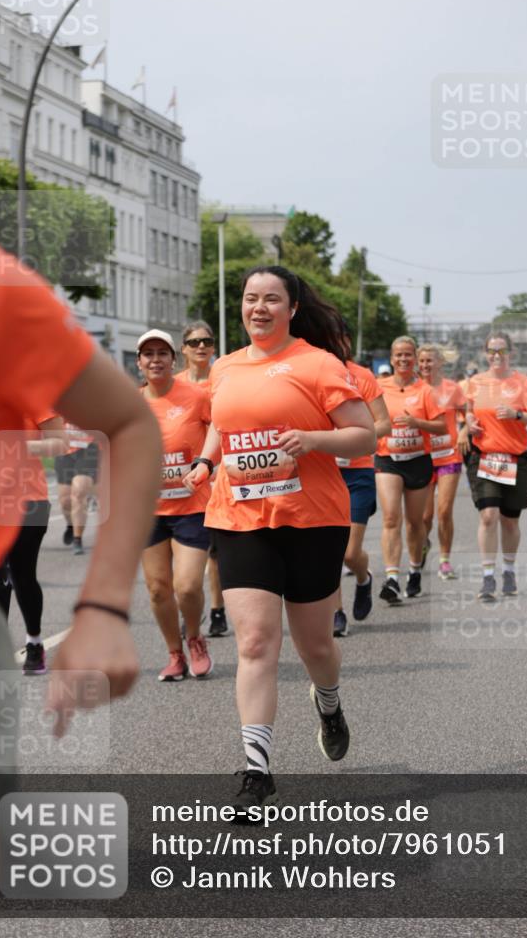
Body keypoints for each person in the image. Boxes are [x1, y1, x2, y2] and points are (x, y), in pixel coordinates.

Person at [0, 240, 161, 938]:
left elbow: (117, 426)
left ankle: (33, 639)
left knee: (20, 579)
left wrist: (102, 608)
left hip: (7, 519)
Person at [183, 265, 375, 813]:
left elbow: (364, 434)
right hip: (240, 518)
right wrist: (206, 460)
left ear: (292, 309)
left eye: (271, 299)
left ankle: (329, 704)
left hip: (312, 520)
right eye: (251, 298)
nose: (259, 308)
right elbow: (221, 423)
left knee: (316, 647)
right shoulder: (223, 367)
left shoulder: (318, 364)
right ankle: (256, 772)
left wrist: (313, 438)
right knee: (255, 643)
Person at [138, 328, 213, 681]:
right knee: (157, 589)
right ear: (139, 362)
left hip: (192, 506)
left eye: (161, 353)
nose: (155, 360)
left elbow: (221, 432)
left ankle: (194, 637)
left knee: (187, 586)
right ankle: (174, 654)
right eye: (148, 354)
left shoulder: (197, 397)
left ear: (173, 359)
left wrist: (208, 465)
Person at [463, 332, 527, 601]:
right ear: (485, 353)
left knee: (510, 522)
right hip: (484, 457)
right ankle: (488, 577)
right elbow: (468, 410)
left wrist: (518, 415)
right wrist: (469, 421)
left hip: (515, 459)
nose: (496, 356)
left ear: (511, 353)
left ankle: (509, 570)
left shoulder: (524, 383)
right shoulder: (476, 382)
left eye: (501, 351)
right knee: (488, 516)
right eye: (492, 351)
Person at [375, 337, 447, 603]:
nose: (403, 359)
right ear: (391, 359)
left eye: (408, 355)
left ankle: (415, 570)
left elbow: (442, 426)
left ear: (414, 359)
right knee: (390, 518)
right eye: (398, 355)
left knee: (415, 523)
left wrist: (417, 422)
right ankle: (392, 578)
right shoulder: (379, 387)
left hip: (418, 460)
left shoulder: (425, 390)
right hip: (388, 459)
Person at [0, 414, 68, 674]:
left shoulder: (34, 398)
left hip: (29, 501)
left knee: (21, 575)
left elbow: (60, 443)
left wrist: (16, 446)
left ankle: (34, 642)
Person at [333, 335, 391, 636]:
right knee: (329, 550)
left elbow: (384, 423)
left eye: (337, 338)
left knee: (349, 552)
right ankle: (336, 613)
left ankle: (363, 578)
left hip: (358, 474)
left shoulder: (361, 376)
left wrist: (354, 438)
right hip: (324, 473)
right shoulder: (309, 373)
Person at [176, 320, 228, 637]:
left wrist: (219, 464)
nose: (201, 347)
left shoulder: (222, 380)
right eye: (194, 342)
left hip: (218, 473)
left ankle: (218, 609)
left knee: (215, 552)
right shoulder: (175, 385)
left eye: (206, 342)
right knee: (187, 552)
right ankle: (191, 609)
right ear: (183, 348)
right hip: (184, 481)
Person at [418, 344, 466, 580]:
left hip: (449, 456)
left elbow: (469, 414)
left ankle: (445, 561)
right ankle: (423, 543)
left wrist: (465, 430)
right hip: (422, 458)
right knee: (424, 517)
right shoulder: (415, 389)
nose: (425, 365)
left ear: (440, 363)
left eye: (430, 360)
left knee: (444, 511)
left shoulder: (453, 389)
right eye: (422, 361)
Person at [54, 418, 100, 554]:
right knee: (65, 501)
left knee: (79, 491)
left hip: (90, 448)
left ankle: (77, 539)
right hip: (64, 451)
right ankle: (70, 524)